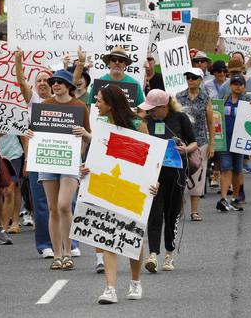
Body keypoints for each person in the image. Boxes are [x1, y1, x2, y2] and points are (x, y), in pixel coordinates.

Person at [86, 85, 157, 304]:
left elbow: (151, 157)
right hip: (108, 186)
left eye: (99, 101)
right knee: (108, 236)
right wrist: (86, 169)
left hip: (133, 187)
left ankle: (135, 282)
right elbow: (98, 155)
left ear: (110, 103)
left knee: (133, 237)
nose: (95, 104)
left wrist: (154, 182)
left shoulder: (138, 124)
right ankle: (110, 288)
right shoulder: (101, 124)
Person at [30, 70, 90, 270]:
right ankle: (57, 255)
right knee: (53, 208)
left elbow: (88, 138)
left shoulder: (80, 107)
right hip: (48, 161)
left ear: (69, 86)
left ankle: (67, 251)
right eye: (53, 81)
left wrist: (83, 142)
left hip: (70, 162)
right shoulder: (44, 106)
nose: (55, 85)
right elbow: (35, 133)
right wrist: (31, 134)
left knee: (64, 205)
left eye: (59, 82)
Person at [139, 89, 197, 273]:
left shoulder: (180, 118)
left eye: (153, 109)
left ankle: (169, 255)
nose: (150, 113)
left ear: (164, 107)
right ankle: (153, 254)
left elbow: (193, 142)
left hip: (176, 174)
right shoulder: (146, 121)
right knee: (154, 214)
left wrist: (185, 149)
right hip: (154, 175)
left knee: (172, 215)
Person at [15, 52, 55, 258]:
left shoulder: (62, 101)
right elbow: (21, 83)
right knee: (40, 203)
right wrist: (18, 62)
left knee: (63, 203)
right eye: (38, 80)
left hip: (59, 157)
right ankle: (45, 245)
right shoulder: (33, 101)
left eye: (46, 80)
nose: (42, 83)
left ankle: (67, 242)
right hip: (38, 158)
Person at [217, 58, 251, 202]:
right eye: (232, 73)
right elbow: (217, 108)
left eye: (238, 72)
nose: (235, 75)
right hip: (232, 132)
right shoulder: (226, 87)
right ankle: (240, 192)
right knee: (235, 164)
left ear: (244, 69)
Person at [176, 69, 215, 222]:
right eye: (188, 77)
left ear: (200, 80)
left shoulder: (206, 98)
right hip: (182, 142)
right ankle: (179, 209)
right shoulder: (179, 96)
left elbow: (211, 122)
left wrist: (212, 144)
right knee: (179, 175)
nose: (190, 80)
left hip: (200, 142)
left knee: (198, 176)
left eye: (193, 77)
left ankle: (194, 211)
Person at [216, 74, 251, 212]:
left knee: (237, 170)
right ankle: (223, 198)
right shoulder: (223, 100)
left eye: (240, 84)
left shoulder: (248, 102)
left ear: (244, 87)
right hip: (225, 140)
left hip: (240, 142)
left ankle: (235, 198)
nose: (237, 86)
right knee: (226, 168)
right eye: (235, 84)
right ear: (230, 86)